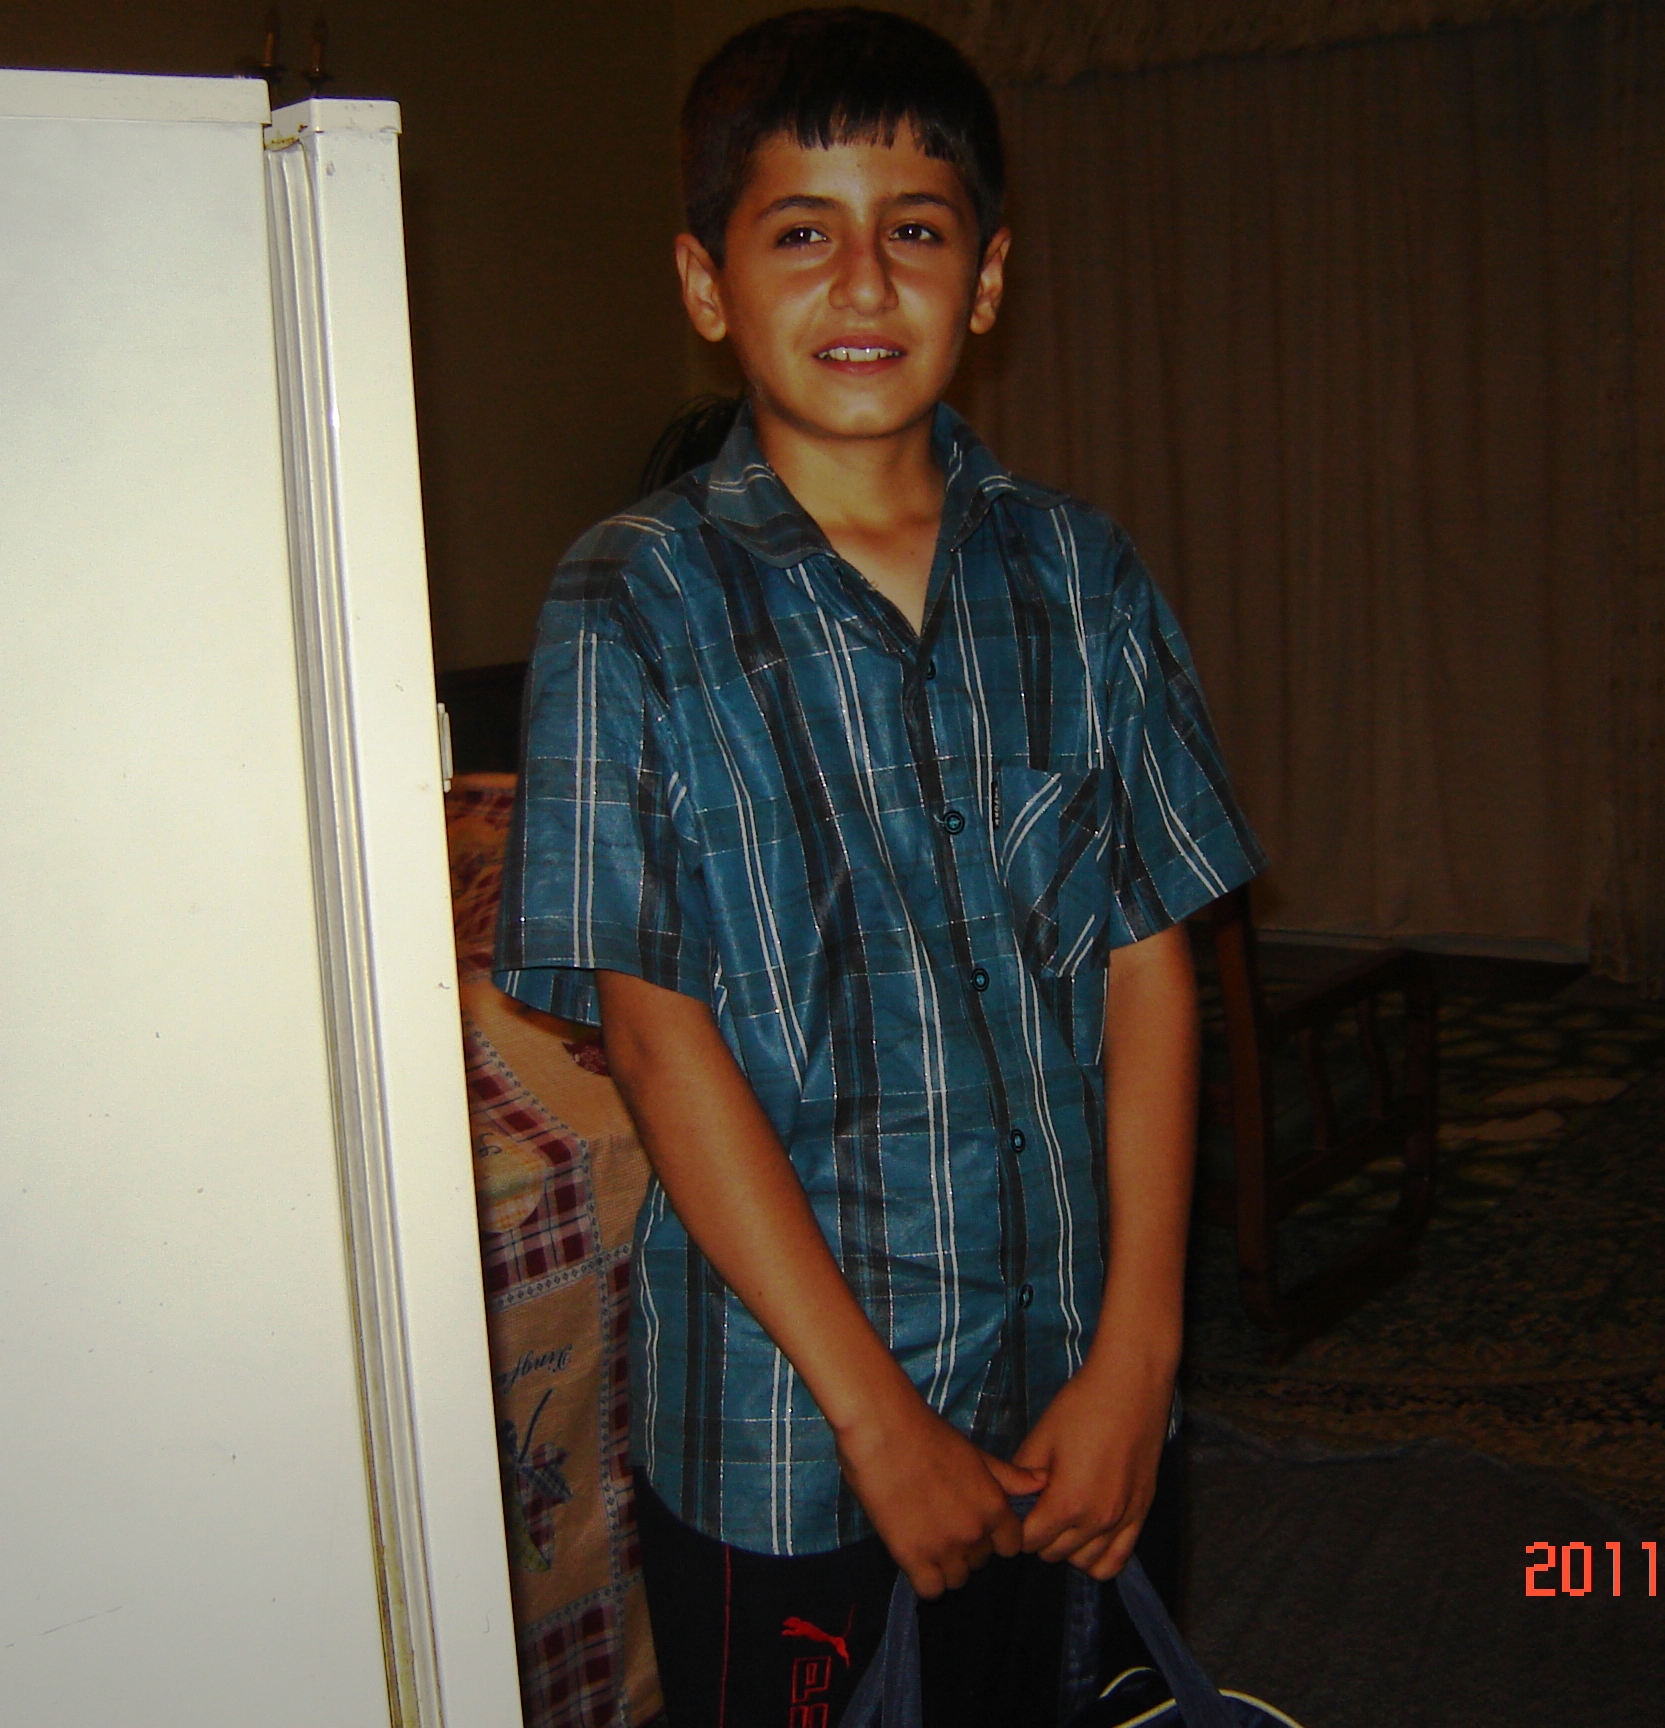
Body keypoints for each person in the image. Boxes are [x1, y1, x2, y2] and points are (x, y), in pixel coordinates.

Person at [494, 10, 1264, 1723]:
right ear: (706, 283)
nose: (863, 279)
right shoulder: (632, 599)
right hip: (791, 1433)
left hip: (1076, 1386)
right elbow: (656, 1033)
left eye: (914, 229)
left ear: (985, 280)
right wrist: (878, 1420)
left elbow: (1148, 957)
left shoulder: (1083, 576)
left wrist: (1140, 1355)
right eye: (800, 232)